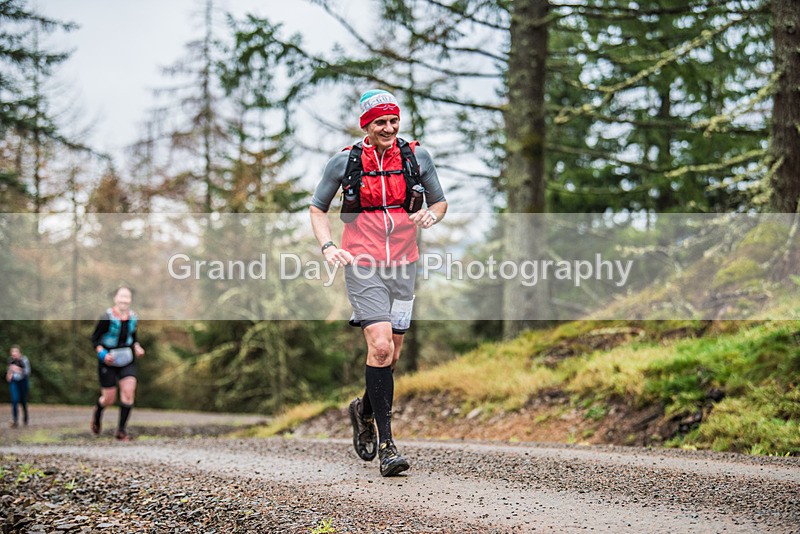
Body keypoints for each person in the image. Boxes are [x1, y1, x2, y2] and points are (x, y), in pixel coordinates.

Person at [310, 89, 447, 476]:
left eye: (393, 121)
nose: (388, 128)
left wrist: (431, 217)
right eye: (380, 122)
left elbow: (439, 202)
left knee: (391, 356)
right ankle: (388, 446)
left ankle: (363, 411)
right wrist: (328, 247)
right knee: (381, 346)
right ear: (366, 126)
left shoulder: (416, 157)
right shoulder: (345, 161)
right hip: (362, 263)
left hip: (405, 265)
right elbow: (317, 208)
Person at [90, 286, 145, 441]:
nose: (124, 300)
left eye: (127, 297)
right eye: (121, 296)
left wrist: (137, 347)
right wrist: (102, 354)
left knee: (128, 393)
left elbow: (133, 337)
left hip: (127, 359)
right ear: (115, 298)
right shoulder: (106, 317)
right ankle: (98, 412)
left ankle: (121, 430)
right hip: (108, 359)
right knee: (109, 399)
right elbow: (94, 339)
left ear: (130, 300)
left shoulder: (133, 317)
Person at [6, 345, 30, 427]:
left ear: (19, 353)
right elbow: (9, 374)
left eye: (16, 352)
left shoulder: (24, 360)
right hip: (14, 381)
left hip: (23, 381)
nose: (14, 354)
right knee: (15, 400)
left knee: (23, 401)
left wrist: (16, 369)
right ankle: (15, 420)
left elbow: (26, 372)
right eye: (12, 352)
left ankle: (25, 418)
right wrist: (9, 374)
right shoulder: (10, 361)